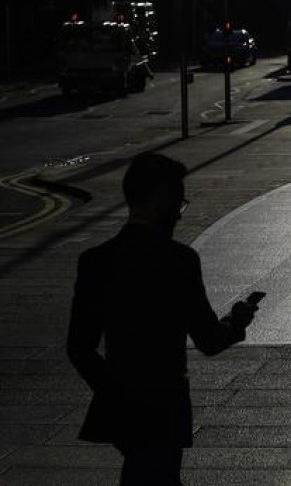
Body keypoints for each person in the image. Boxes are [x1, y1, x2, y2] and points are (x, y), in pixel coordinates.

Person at [66, 153, 258, 486]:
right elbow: (209, 340)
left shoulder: (96, 261)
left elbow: (78, 348)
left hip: (123, 412)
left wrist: (117, 393)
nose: (178, 217)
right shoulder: (178, 261)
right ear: (160, 201)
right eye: (177, 205)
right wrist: (236, 322)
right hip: (165, 406)